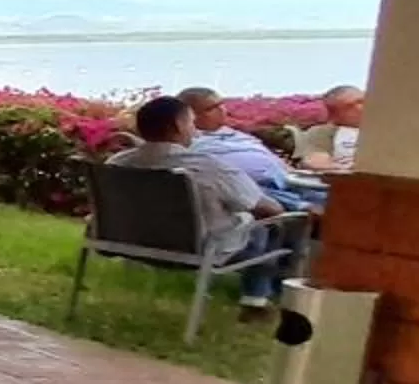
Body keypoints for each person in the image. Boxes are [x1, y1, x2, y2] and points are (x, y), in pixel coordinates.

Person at [111, 94, 302, 317]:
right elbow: (270, 210)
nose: (196, 130)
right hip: (198, 250)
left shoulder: (117, 163)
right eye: (191, 122)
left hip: (125, 242)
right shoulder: (208, 167)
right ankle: (257, 300)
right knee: (271, 224)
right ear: (178, 126)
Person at [179, 86, 318, 209]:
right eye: (212, 108)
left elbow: (272, 159)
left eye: (221, 104)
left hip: (289, 182)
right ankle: (305, 209)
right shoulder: (190, 141)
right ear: (191, 115)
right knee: (250, 189)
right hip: (254, 190)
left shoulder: (238, 135)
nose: (222, 110)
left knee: (332, 196)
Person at [301, 84, 365, 173]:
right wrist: (347, 169)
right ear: (334, 114)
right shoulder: (322, 132)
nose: (362, 107)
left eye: (364, 101)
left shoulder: (384, 129)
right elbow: (316, 161)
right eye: (351, 106)